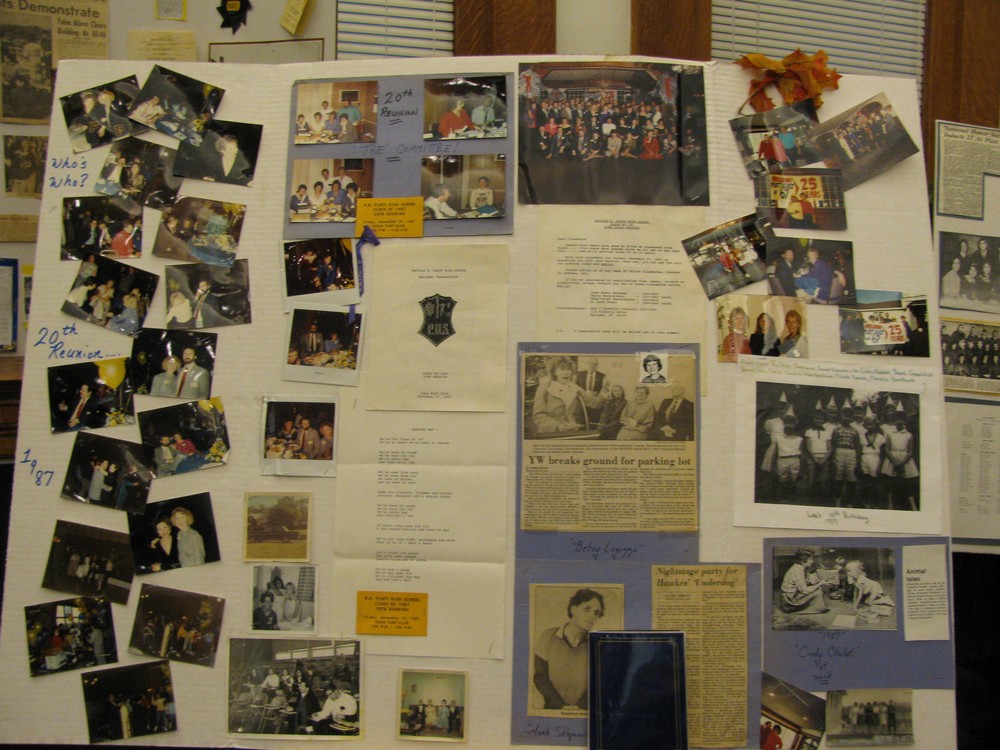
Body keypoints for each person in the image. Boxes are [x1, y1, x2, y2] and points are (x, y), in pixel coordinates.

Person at [533, 588, 605, 710]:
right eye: (587, 609)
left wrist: (579, 707)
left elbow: (600, 682)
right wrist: (561, 706)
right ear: (573, 609)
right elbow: (540, 677)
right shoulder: (548, 636)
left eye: (596, 613)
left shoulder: (598, 645)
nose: (592, 616)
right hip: (553, 711)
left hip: (584, 713)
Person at [779, 547, 828, 614]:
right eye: (810, 559)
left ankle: (813, 607)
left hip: (792, 595)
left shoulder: (799, 567)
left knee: (817, 589)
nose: (813, 561)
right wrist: (820, 583)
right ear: (803, 561)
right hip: (789, 601)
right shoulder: (797, 571)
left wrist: (813, 578)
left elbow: (810, 582)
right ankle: (812, 608)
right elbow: (805, 591)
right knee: (818, 592)